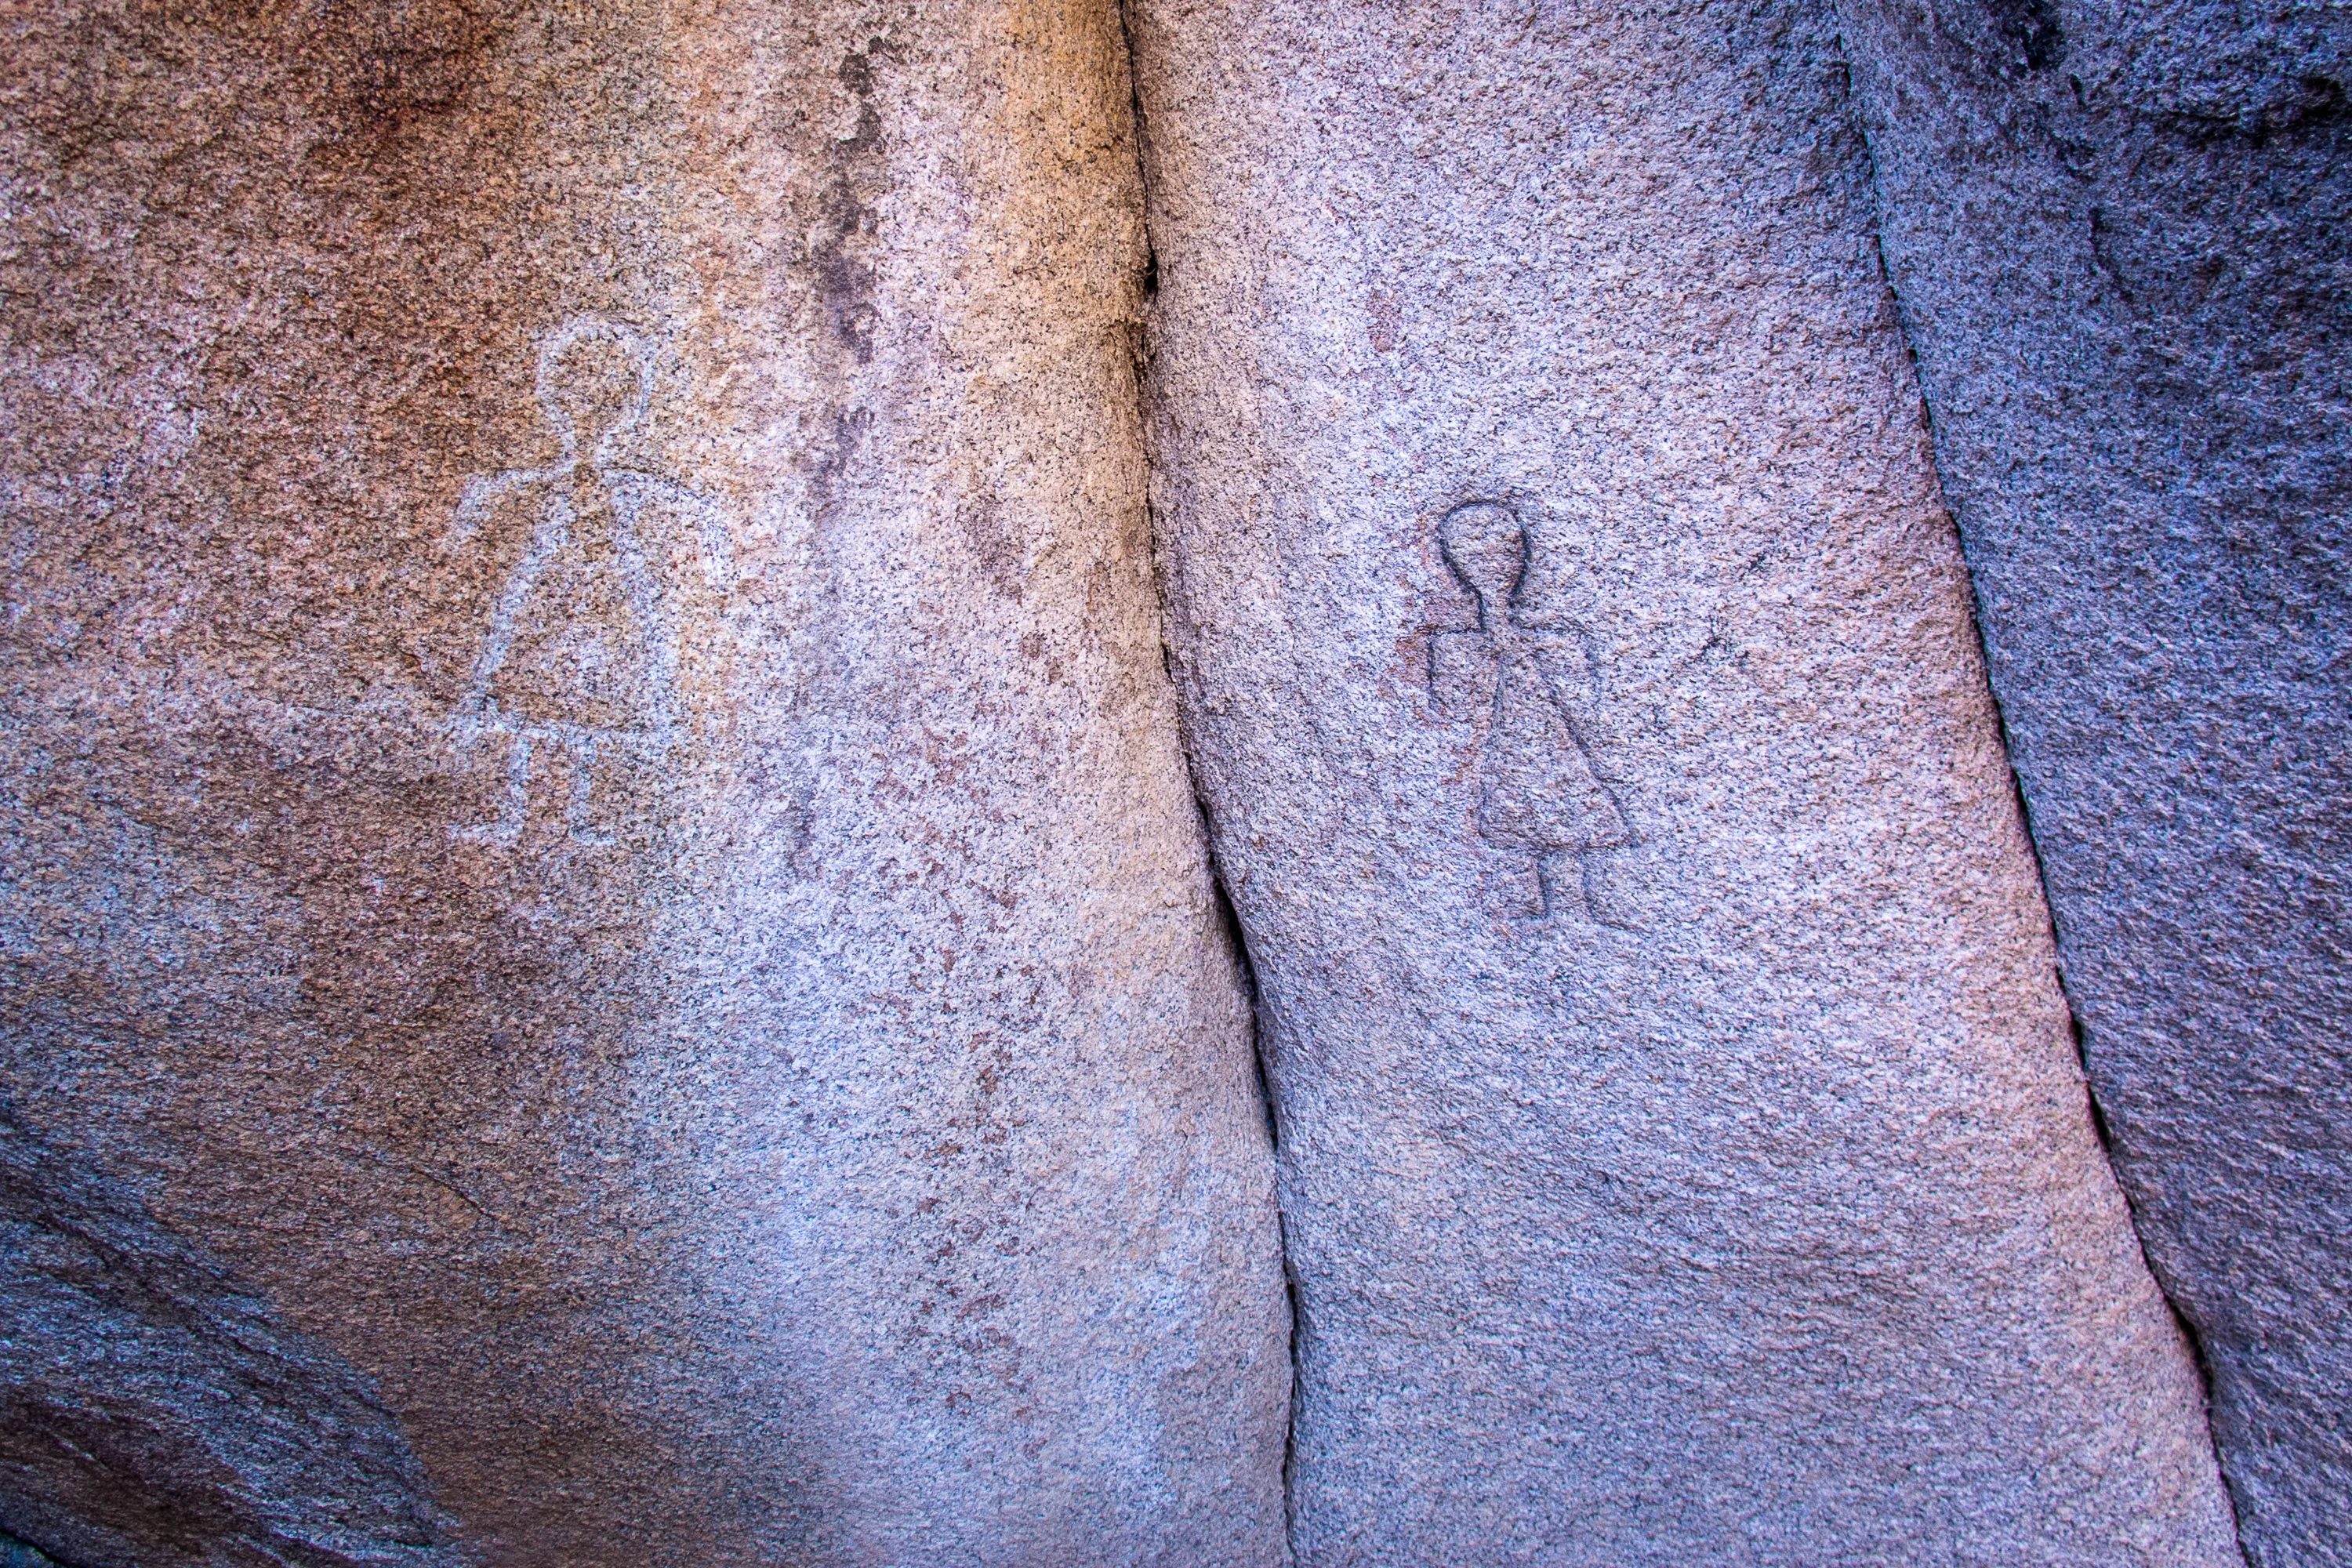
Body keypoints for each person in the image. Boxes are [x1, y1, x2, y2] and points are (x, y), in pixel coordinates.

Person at [447, 318, 726, 846]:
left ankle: (584, 813)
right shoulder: (551, 482)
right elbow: (520, 489)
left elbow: (672, 500)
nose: (590, 413)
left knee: (592, 698)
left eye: (606, 398)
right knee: (529, 690)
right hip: (554, 592)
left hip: (605, 593)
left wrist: (707, 528)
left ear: (626, 409)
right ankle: (517, 809)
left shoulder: (623, 485)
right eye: (577, 393)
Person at [1428, 500, 1634, 921]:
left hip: (1556, 745)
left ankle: (1580, 902)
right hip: (1509, 750)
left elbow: (1586, 698)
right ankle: (1534, 901)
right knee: (1517, 815)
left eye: (1500, 546)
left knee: (1568, 807)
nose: (1489, 559)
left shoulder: (1555, 641)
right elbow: (1453, 707)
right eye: (1473, 551)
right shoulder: (1458, 646)